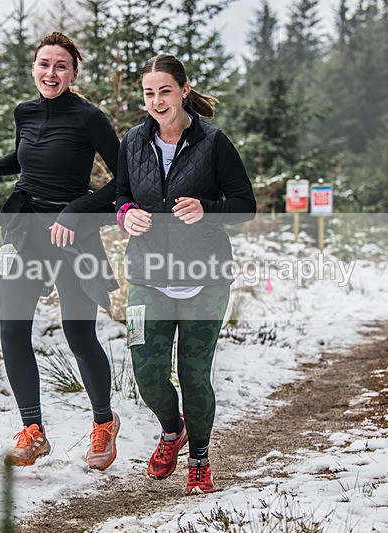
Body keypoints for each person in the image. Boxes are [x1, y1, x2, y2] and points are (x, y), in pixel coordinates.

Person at [0, 32, 120, 470]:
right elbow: (23, 158)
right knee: (13, 332)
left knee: (78, 334)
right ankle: (32, 431)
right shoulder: (25, 112)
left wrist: (76, 210)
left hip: (72, 235)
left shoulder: (90, 118)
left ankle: (104, 425)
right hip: (25, 231)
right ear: (33, 68)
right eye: (43, 64)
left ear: (73, 73)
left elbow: (122, 179)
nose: (50, 73)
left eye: (60, 66)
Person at [116, 54, 256, 495]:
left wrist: (207, 209)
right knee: (147, 373)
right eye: (149, 93)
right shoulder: (133, 143)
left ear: (184, 90)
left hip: (205, 280)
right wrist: (125, 216)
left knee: (194, 375)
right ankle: (171, 428)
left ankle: (199, 457)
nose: (157, 101)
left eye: (165, 91)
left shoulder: (214, 143)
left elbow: (245, 206)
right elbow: (119, 196)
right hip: (147, 275)